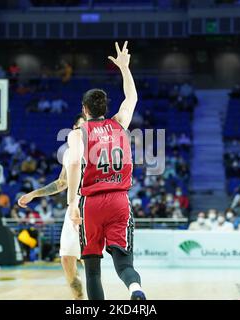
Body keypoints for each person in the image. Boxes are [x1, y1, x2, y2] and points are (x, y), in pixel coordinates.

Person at [66, 41, 145, 300]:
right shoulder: (119, 123)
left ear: (85, 110)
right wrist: (124, 68)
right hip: (120, 200)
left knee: (92, 271)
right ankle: (136, 290)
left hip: (92, 204)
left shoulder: (78, 133)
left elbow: (76, 163)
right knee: (124, 264)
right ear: (105, 109)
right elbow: (132, 97)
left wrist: (72, 202)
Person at [18, 114, 86, 300]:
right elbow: (62, 182)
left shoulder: (98, 149)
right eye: (80, 128)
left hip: (91, 205)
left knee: (89, 261)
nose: (84, 131)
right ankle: (79, 300)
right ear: (73, 129)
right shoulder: (69, 152)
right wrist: (34, 194)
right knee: (66, 258)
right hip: (73, 206)